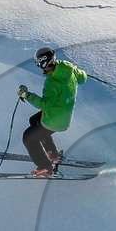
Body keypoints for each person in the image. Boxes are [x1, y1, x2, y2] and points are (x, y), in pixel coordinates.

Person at [18, 46, 88, 177]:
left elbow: (45, 105)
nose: (39, 66)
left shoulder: (52, 83)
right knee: (34, 120)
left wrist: (26, 95)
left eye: (39, 63)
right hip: (64, 116)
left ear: (43, 63)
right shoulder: (67, 67)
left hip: (55, 121)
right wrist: (77, 70)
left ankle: (45, 167)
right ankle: (53, 154)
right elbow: (83, 78)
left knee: (28, 137)